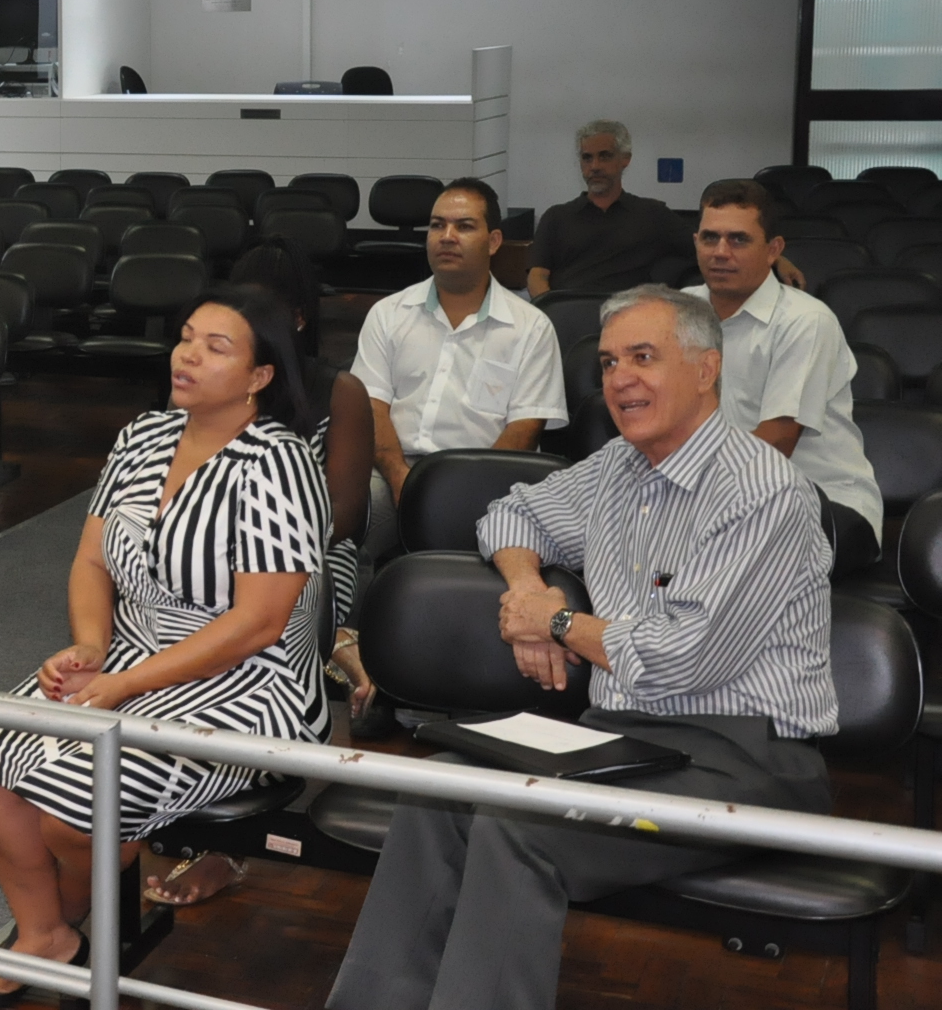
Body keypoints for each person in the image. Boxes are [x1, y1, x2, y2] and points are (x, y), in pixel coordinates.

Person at [328, 285, 836, 1010]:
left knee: (516, 828)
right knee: (439, 791)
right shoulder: (619, 468)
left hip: (745, 760)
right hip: (624, 739)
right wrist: (529, 589)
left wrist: (560, 624)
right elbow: (508, 514)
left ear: (706, 369)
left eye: (643, 357)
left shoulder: (764, 494)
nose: (620, 379)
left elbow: (677, 657)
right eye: (608, 363)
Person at [0, 286, 330, 1007]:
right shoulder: (144, 435)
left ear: (260, 375)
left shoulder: (279, 464)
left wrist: (126, 685)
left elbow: (259, 623)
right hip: (132, 654)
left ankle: (80, 909)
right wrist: (92, 647)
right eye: (186, 337)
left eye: (216, 347)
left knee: (74, 805)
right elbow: (93, 560)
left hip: (252, 683)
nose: (188, 354)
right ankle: (45, 934)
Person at [139, 242, 376, 908]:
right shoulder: (198, 386)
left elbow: (345, 515)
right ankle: (165, 794)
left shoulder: (339, 391)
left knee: (252, 610)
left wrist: (246, 550)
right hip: (203, 561)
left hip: (308, 556)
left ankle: (220, 835)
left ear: (296, 320)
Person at [685, 177, 883, 559]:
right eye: (710, 238)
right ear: (696, 242)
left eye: (738, 240)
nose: (720, 252)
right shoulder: (677, 313)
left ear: (773, 250)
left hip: (824, 504)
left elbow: (776, 443)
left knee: (698, 558)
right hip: (719, 501)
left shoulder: (805, 321)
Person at [353, 177, 568, 501]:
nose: (447, 237)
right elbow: (370, 408)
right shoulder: (388, 314)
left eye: (464, 226)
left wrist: (466, 496)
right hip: (391, 470)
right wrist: (401, 480)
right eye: (437, 225)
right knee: (336, 514)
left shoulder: (531, 328)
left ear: (493, 241)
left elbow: (524, 431)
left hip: (488, 483)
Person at [526, 121, 694, 297]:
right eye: (587, 158)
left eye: (605, 156)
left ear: (625, 159)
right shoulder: (556, 218)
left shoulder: (652, 215)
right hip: (568, 307)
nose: (595, 166)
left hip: (628, 310)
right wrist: (548, 309)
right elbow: (537, 276)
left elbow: (702, 249)